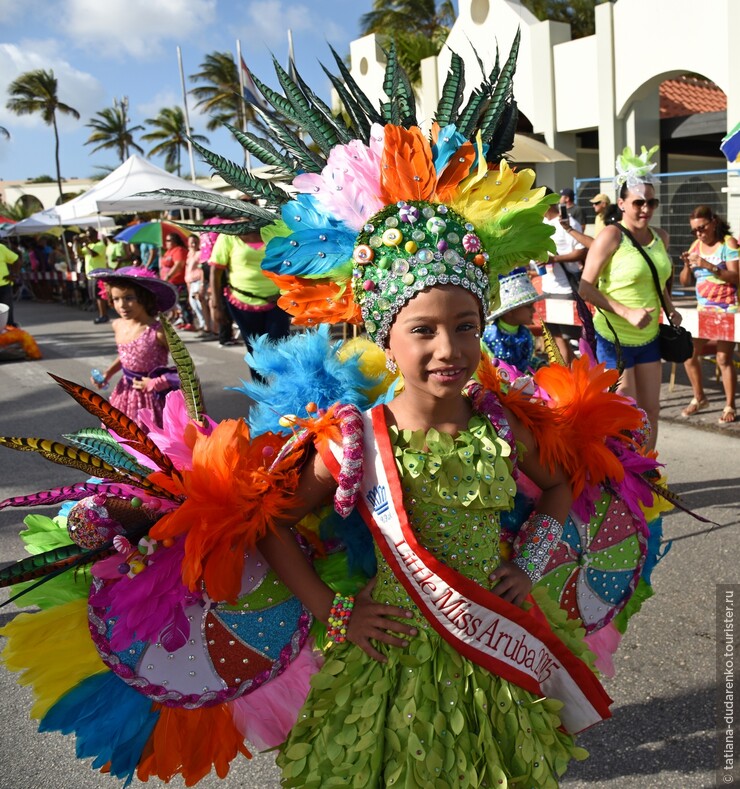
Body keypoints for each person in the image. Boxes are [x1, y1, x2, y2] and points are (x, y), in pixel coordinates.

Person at [0, 46, 670, 789]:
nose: (448, 348)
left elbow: (553, 488)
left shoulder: (500, 425)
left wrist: (532, 562)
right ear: (385, 333)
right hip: (391, 652)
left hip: (491, 651)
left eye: (466, 325)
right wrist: (333, 609)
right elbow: (273, 522)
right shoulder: (358, 438)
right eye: (424, 329)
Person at [579, 145, 682, 450]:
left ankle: (648, 471)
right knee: (626, 413)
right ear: (622, 203)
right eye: (638, 202)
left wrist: (671, 307)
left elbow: (658, 279)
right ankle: (624, 477)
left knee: (651, 410)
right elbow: (585, 287)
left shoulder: (660, 237)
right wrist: (626, 312)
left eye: (652, 202)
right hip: (615, 339)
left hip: (649, 337)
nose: (646, 209)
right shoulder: (611, 236)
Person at [89, 266, 179, 428]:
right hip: (124, 395)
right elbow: (126, 356)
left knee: (150, 445)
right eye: (116, 299)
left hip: (152, 399)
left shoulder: (158, 331)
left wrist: (160, 381)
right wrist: (108, 373)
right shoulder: (118, 325)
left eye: (129, 298)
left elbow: (187, 369)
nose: (122, 305)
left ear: (144, 298)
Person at [679, 205, 738, 423]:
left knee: (723, 358)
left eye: (702, 228)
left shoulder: (727, 244)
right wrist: (686, 266)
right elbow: (685, 282)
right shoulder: (696, 245)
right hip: (703, 310)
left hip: (726, 308)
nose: (699, 234)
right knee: (688, 354)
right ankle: (699, 398)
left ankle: (729, 404)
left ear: (713, 222)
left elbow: (736, 277)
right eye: (694, 230)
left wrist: (707, 265)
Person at [209, 223, 291, 370]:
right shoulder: (228, 236)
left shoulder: (274, 231)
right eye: (243, 200)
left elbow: (290, 263)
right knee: (255, 351)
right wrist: (216, 306)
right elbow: (215, 271)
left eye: (251, 201)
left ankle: (282, 389)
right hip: (243, 303)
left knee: (280, 347)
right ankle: (261, 390)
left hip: (277, 301)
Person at [539, 188, 587, 363]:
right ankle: (569, 378)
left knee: (570, 339)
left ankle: (579, 377)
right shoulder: (542, 223)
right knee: (556, 339)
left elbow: (581, 251)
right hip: (547, 287)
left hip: (566, 288)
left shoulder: (566, 222)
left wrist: (555, 259)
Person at [482, 267, 545, 372]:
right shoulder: (489, 336)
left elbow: (525, 363)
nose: (533, 310)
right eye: (528, 306)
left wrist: (541, 366)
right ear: (510, 311)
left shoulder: (525, 333)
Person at [159, 232, 192, 329]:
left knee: (183, 303)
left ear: (175, 241)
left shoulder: (179, 250)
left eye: (169, 240)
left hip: (179, 282)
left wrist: (168, 276)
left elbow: (179, 265)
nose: (166, 242)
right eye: (166, 240)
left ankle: (189, 322)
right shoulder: (168, 251)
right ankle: (183, 320)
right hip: (171, 282)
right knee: (177, 304)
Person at [79, 228, 110, 323]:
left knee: (100, 296)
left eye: (90, 236)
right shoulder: (90, 245)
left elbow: (94, 255)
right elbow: (79, 253)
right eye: (87, 236)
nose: (88, 238)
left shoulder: (100, 245)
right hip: (91, 275)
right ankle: (102, 314)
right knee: (95, 297)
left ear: (95, 235)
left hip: (99, 274)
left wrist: (86, 246)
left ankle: (103, 315)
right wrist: (77, 243)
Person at [185, 234, 210, 335]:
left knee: (200, 304)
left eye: (195, 241)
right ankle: (202, 323)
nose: (193, 244)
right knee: (194, 304)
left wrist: (202, 284)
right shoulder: (189, 254)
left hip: (198, 281)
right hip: (191, 282)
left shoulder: (200, 253)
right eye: (191, 241)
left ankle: (205, 325)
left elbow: (202, 269)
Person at [0, 239, 20, 327]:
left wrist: (14, 274)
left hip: (4, 286)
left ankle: (9, 331)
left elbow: (16, 260)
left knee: (6, 313)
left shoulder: (1, 248)